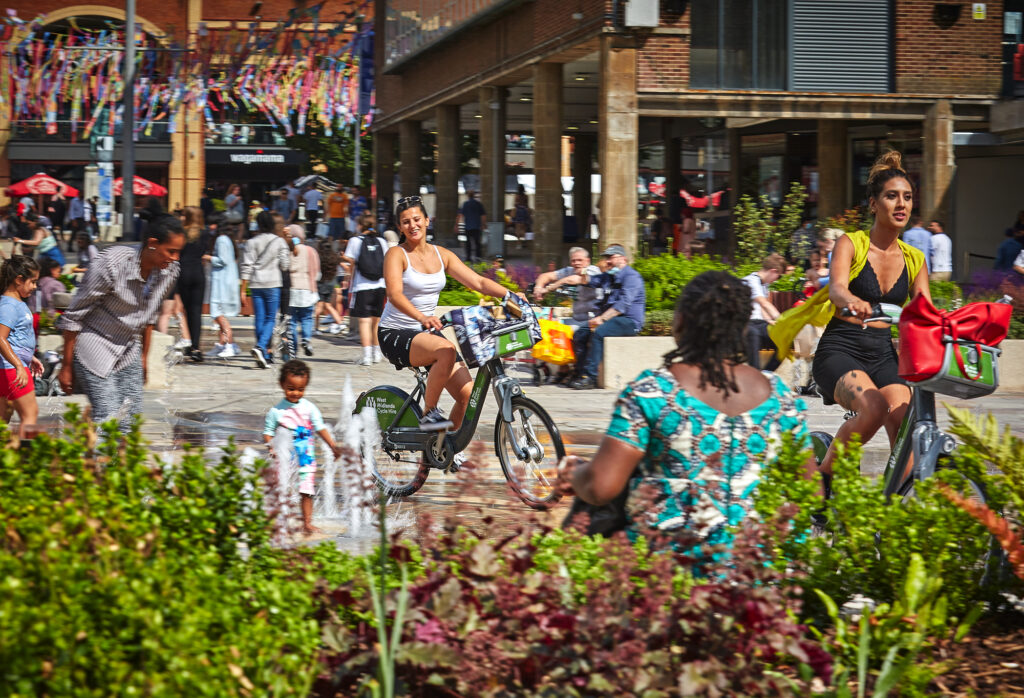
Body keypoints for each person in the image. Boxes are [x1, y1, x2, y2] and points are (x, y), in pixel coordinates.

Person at [562, 271, 815, 560]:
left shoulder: (653, 392)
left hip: (669, 578)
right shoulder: (781, 397)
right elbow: (810, 492)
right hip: (759, 576)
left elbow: (600, 486)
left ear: (680, 322)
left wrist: (573, 471)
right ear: (743, 328)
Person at [771, 150, 929, 486]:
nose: (901, 204)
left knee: (907, 423)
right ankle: (823, 479)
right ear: (873, 204)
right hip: (840, 351)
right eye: (891, 196)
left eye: (907, 197)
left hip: (884, 354)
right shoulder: (851, 243)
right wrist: (853, 300)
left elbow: (926, 310)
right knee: (872, 409)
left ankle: (895, 506)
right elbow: (837, 289)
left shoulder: (915, 258)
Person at [378, 196, 517, 433]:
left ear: (427, 221)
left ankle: (443, 448)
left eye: (417, 219)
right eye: (406, 221)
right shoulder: (396, 254)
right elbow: (394, 295)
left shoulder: (442, 255)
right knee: (447, 350)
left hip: (426, 334)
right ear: (400, 227)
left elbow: (478, 281)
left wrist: (510, 296)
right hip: (395, 332)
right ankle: (428, 413)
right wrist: (422, 317)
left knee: (467, 395)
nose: (413, 225)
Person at [57, 207, 185, 431]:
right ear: (152, 243)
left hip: (128, 347)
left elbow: (148, 317)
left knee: (129, 420)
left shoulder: (170, 270)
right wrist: (66, 366)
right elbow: (74, 315)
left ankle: (118, 464)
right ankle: (100, 463)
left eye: (178, 252)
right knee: (107, 417)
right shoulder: (112, 263)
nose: (175, 258)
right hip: (94, 343)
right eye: (171, 251)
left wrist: (144, 358)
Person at [263, 360, 342, 536]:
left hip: (305, 458)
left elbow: (320, 428)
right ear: (282, 384)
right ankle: (279, 522)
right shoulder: (276, 411)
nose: (295, 393)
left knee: (306, 491)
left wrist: (333, 446)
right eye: (291, 388)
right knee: (282, 489)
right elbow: (268, 432)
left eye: (300, 389)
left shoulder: (309, 408)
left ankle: (307, 522)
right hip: (285, 458)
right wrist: (271, 447)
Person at [566, 245, 646, 390]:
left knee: (599, 333)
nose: (607, 261)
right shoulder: (608, 277)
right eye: (606, 258)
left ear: (623, 259)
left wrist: (602, 319)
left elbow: (623, 304)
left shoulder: (631, 277)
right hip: (611, 319)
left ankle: (591, 377)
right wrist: (583, 269)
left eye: (611, 257)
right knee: (580, 334)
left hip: (628, 321)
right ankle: (579, 374)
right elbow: (585, 280)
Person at [240, 211, 292, 368]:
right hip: (273, 283)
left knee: (259, 319)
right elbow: (285, 265)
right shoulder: (279, 242)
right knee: (271, 318)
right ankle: (260, 347)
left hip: (255, 283)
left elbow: (246, 267)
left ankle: (263, 354)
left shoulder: (251, 242)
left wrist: (243, 289)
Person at [0, 256, 43, 437]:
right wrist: (19, 364)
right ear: (18, 279)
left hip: (8, 368)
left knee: (3, 419)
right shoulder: (9, 305)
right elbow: (1, 337)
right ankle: (26, 461)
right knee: (30, 415)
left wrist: (29, 356)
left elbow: (15, 338)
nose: (34, 287)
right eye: (32, 282)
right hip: (11, 369)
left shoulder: (16, 303)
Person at [342, 222, 391, 365]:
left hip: (362, 286)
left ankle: (367, 356)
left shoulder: (355, 241)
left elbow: (351, 262)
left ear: (359, 227)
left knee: (364, 321)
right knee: (376, 322)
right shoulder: (382, 241)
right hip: (380, 285)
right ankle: (377, 354)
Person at [532, 246, 602, 330]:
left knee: (558, 331)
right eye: (573, 261)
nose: (576, 263)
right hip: (576, 320)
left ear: (588, 261)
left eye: (580, 260)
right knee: (544, 325)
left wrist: (549, 289)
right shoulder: (570, 270)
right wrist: (538, 288)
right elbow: (545, 276)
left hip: (592, 321)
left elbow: (573, 279)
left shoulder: (593, 271)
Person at [741, 254, 786, 372]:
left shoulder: (764, 285)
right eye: (778, 276)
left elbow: (762, 311)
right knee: (753, 334)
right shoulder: (750, 281)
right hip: (745, 323)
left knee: (784, 339)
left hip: (758, 323)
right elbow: (764, 303)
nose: (776, 280)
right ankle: (754, 373)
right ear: (773, 271)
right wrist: (783, 321)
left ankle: (766, 374)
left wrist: (772, 322)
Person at [203, 220, 241, 357]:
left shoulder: (221, 239)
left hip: (222, 283)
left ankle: (229, 344)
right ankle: (224, 344)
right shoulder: (227, 240)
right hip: (224, 282)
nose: (210, 226)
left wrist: (209, 258)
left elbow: (223, 260)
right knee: (219, 314)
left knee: (218, 315)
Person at [176, 207, 210, 362]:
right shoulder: (205, 233)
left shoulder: (181, 232)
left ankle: (187, 341)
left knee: (184, 310)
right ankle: (195, 347)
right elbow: (203, 251)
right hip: (198, 272)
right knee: (196, 312)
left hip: (183, 272)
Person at [286, 225, 320, 358]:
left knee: (292, 321)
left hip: (291, 289)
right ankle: (306, 340)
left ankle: (293, 349)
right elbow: (317, 273)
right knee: (306, 318)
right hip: (307, 289)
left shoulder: (287, 250)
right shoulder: (310, 251)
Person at [313, 240, 346, 335]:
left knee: (319, 306)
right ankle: (340, 322)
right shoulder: (334, 257)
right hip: (332, 283)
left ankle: (316, 328)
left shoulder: (319, 258)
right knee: (328, 305)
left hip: (322, 283)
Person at [457, 190, 486, 262]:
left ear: (468, 195)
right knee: (477, 243)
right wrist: (483, 224)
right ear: (474, 195)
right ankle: (478, 258)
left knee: (468, 243)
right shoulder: (478, 204)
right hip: (476, 226)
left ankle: (468, 258)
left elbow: (460, 215)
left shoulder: (465, 204)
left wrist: (456, 225)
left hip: (468, 226)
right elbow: (483, 215)